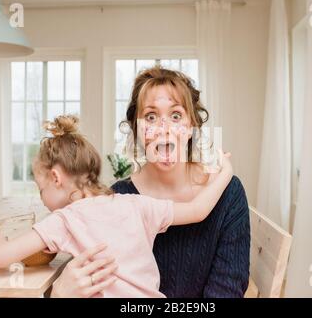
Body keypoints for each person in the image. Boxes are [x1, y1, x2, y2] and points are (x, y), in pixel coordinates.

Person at [51, 67, 250, 298]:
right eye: (151, 117)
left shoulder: (228, 193)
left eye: (176, 115)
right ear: (137, 129)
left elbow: (226, 291)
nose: (164, 128)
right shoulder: (118, 199)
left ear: (191, 127)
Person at [0, 114, 234, 298]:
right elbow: (197, 210)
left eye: (41, 189)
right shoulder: (137, 204)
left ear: (56, 178)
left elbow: (0, 257)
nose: (42, 197)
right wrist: (226, 172)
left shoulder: (63, 220)